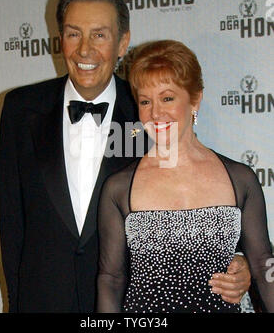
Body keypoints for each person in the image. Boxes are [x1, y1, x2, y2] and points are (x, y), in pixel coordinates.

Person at [0, 0, 250, 313]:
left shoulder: (149, 112)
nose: (85, 50)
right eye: (74, 34)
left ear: (123, 42)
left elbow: (191, 203)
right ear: (60, 38)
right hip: (43, 301)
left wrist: (238, 262)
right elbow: (11, 224)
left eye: (99, 35)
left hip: (131, 307)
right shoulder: (20, 109)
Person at [96, 40, 274, 313]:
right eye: (145, 101)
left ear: (195, 99)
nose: (156, 113)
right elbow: (111, 279)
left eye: (167, 98)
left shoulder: (240, 179)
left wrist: (247, 267)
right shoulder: (118, 188)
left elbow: (263, 265)